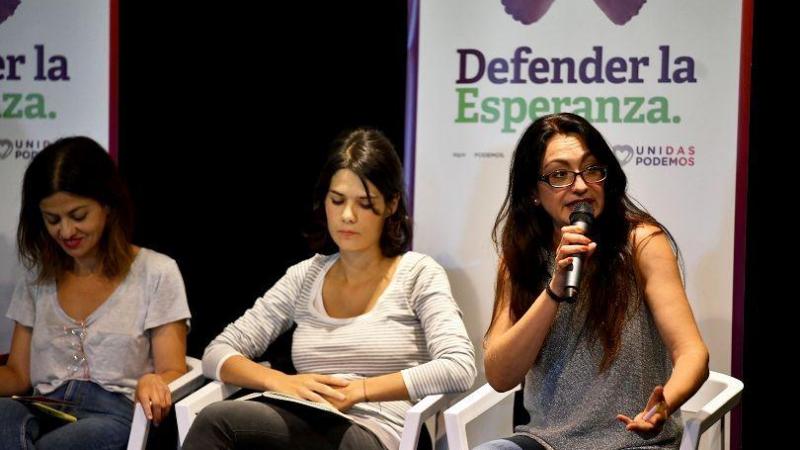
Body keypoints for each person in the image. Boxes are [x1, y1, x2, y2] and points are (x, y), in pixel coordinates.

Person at [182, 128, 476, 450]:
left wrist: (361, 390)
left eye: (364, 204)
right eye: (337, 201)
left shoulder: (418, 273)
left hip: (377, 429)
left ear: (391, 204)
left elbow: (458, 366)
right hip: (301, 416)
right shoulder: (305, 276)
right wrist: (280, 381)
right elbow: (217, 353)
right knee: (216, 420)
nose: (347, 216)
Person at [479, 113, 709, 450]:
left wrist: (665, 403)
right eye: (559, 175)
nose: (581, 186)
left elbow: (693, 353)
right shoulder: (520, 262)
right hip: (546, 442)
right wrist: (555, 288)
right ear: (532, 191)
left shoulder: (641, 243)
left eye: (591, 169)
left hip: (634, 441)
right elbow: (500, 376)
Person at [0, 136, 191, 449]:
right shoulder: (38, 278)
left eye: (78, 216)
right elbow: (18, 375)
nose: (65, 231)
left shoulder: (156, 272)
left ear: (107, 205)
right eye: (52, 219)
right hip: (42, 406)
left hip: (114, 415)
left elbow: (173, 369)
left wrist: (155, 380)